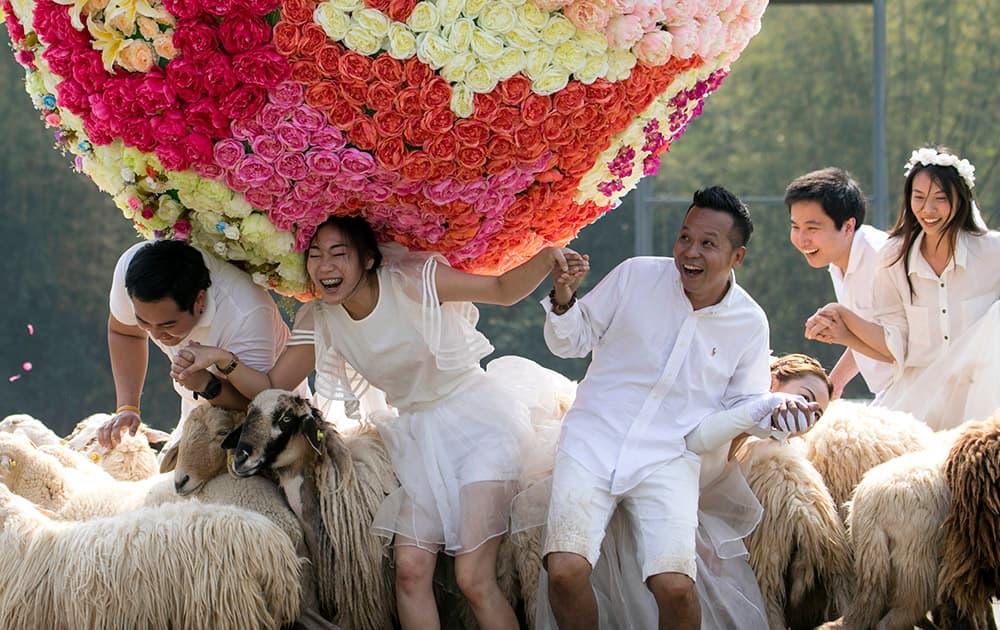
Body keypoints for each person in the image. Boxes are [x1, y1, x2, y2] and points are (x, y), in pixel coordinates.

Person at [170, 215, 589, 630]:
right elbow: (272, 385)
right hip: (417, 438)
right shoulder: (320, 318)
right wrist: (216, 364)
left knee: (473, 578)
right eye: (315, 255)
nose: (324, 266)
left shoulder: (412, 280)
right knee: (409, 570)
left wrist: (548, 255)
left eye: (338, 253)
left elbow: (501, 289)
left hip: (478, 426)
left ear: (369, 259)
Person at [538, 186, 821, 630]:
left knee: (675, 587)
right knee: (565, 571)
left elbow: (746, 404)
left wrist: (780, 411)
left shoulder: (749, 321)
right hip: (592, 439)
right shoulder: (635, 275)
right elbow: (570, 340)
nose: (690, 251)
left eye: (708, 243)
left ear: (737, 257)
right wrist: (563, 297)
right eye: (685, 237)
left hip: (671, 457)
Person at [805, 146, 1000, 429]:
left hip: (983, 400)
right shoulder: (894, 256)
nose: (927, 209)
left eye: (940, 199)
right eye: (918, 197)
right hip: (920, 400)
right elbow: (895, 345)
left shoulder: (992, 251)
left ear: (961, 200)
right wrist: (843, 323)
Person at [97, 239, 302, 449]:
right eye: (144, 321)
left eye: (168, 324)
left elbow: (258, 407)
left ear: (200, 300)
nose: (156, 334)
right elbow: (125, 332)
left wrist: (206, 383)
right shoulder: (132, 269)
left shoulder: (247, 313)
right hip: (198, 413)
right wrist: (128, 407)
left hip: (277, 423)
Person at [785, 167, 893, 398]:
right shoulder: (837, 260)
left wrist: (840, 321)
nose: (802, 239)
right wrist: (834, 384)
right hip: (891, 390)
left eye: (812, 228)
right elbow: (867, 334)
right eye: (795, 227)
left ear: (848, 226)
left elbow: (898, 349)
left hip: (920, 388)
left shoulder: (882, 260)